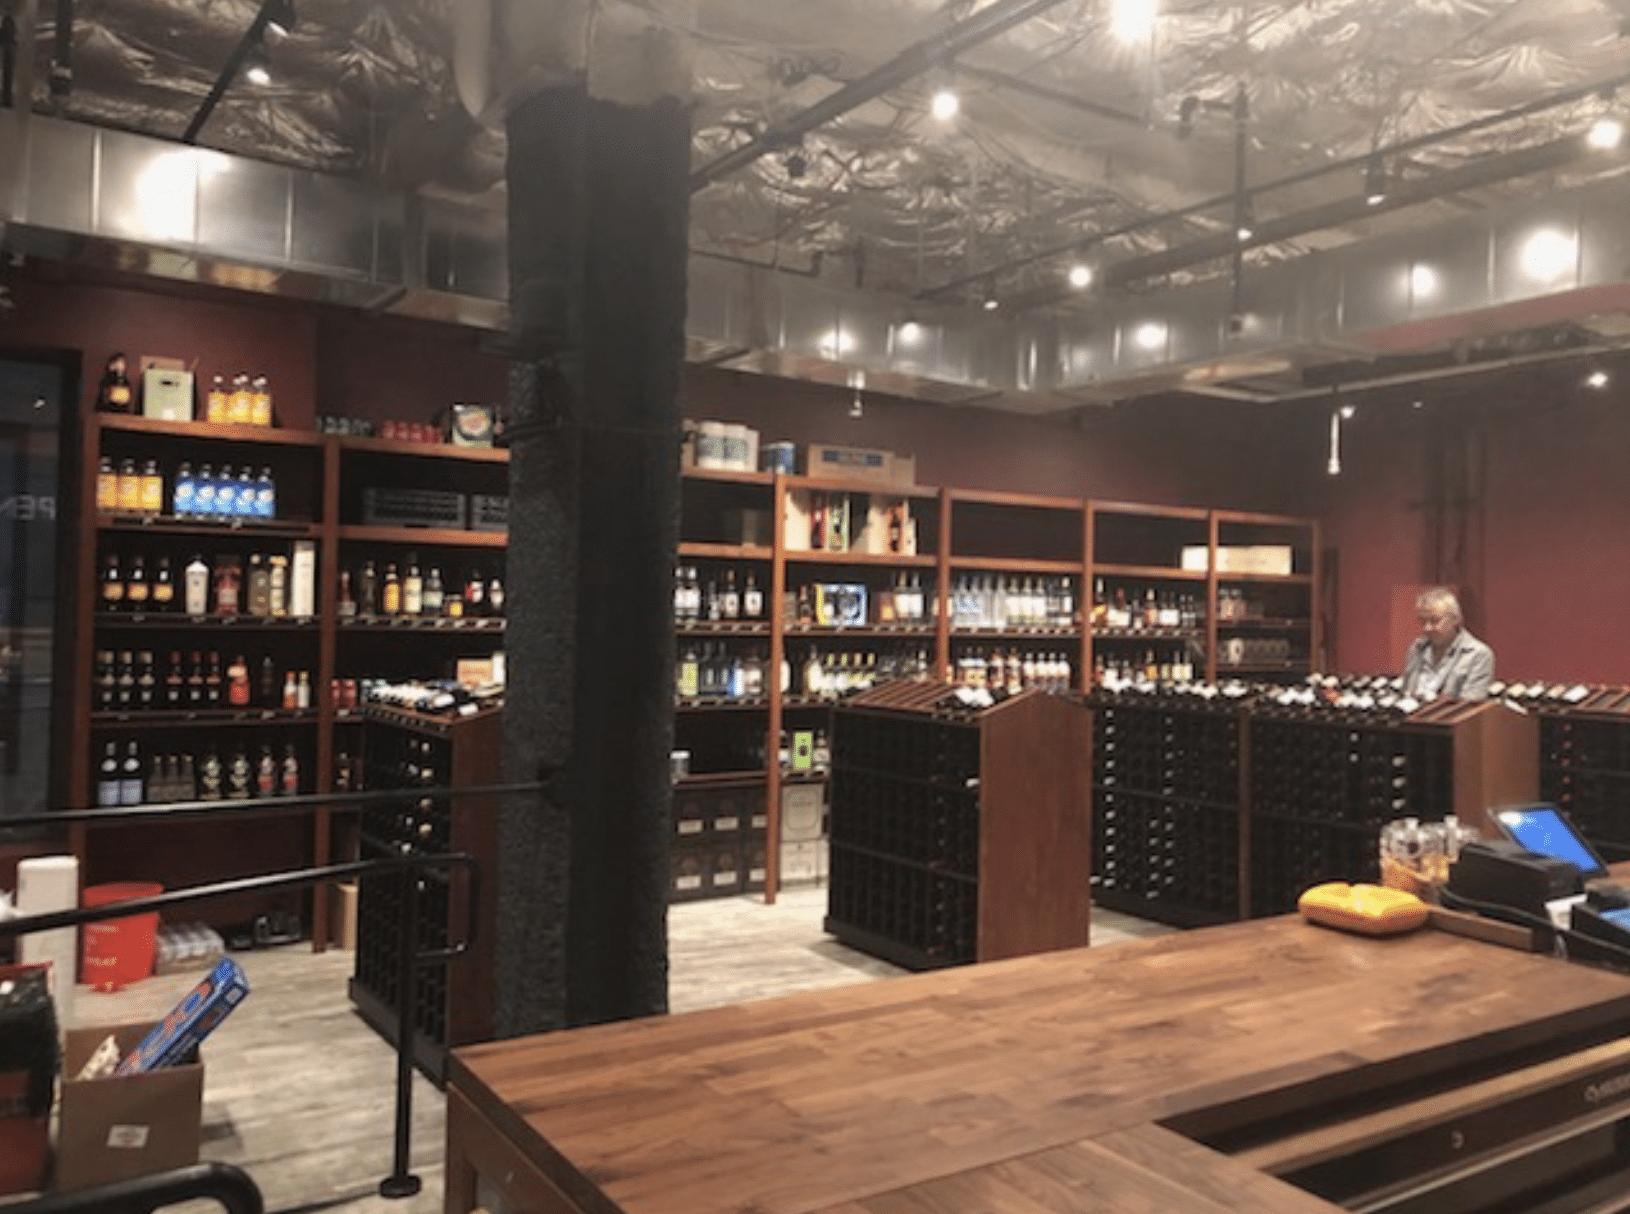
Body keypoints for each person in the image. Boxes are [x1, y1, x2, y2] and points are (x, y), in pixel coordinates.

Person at [1401, 586, 1494, 701]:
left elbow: (1471, 705)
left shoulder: (1478, 654)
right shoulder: (1416, 648)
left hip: (1449, 718)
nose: (1427, 628)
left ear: (1456, 619)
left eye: (1435, 621)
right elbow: (1405, 692)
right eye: (1423, 621)